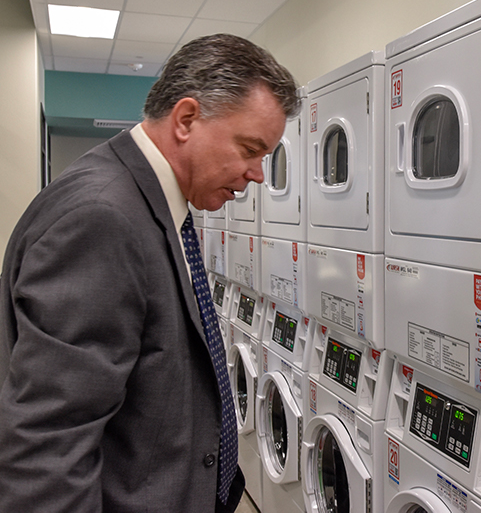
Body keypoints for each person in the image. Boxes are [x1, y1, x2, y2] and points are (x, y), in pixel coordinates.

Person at [0, 34, 300, 512]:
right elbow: (50, 438)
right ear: (186, 119)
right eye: (249, 149)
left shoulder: (147, 202)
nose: (257, 174)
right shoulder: (104, 217)